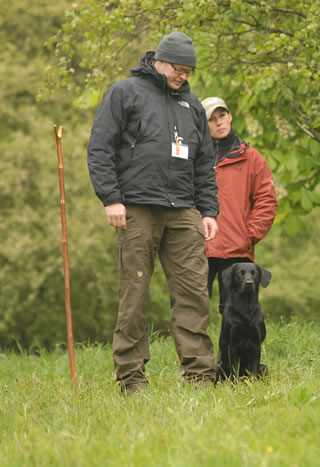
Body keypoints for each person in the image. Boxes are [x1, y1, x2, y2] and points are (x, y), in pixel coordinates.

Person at [87, 31, 219, 393]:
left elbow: (204, 163)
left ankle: (200, 375)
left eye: (189, 71)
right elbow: (100, 148)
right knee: (135, 295)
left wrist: (209, 210)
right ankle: (131, 378)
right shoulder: (124, 92)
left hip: (183, 209)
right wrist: (111, 198)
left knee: (194, 292)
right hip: (135, 207)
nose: (183, 76)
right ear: (160, 62)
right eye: (179, 69)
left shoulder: (192, 105)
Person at [200, 96, 277, 312]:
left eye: (222, 115)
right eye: (211, 119)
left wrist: (249, 234)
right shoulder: (194, 158)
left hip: (237, 249)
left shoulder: (252, 158)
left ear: (230, 116)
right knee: (193, 309)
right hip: (199, 246)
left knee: (237, 313)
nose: (219, 122)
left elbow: (266, 201)